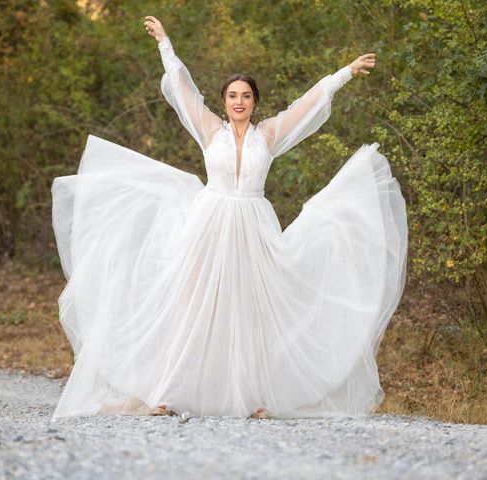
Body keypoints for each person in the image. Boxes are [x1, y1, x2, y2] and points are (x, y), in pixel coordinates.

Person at [49, 15, 408, 421]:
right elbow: (182, 89)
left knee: (251, 312)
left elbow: (309, 102)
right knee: (193, 308)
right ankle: (167, 394)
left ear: (255, 102)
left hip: (253, 228)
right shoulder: (210, 130)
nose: (239, 102)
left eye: (246, 96)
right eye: (233, 96)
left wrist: (346, 72)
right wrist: (165, 43)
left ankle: (254, 396)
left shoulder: (268, 135)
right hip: (208, 224)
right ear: (224, 102)